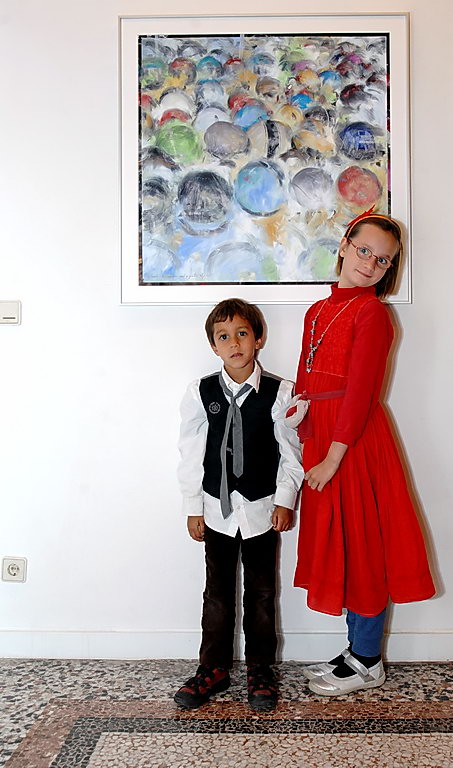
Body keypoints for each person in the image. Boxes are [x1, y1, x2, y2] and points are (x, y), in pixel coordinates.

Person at [292, 209, 435, 696]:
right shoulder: (317, 311)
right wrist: (300, 425)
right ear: (344, 246)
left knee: (364, 548)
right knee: (342, 546)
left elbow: (361, 394)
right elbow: (307, 378)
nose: (371, 263)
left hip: (353, 444)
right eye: (364, 250)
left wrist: (333, 457)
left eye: (383, 259)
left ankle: (369, 659)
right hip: (323, 438)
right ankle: (356, 648)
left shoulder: (373, 313)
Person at [174, 298, 303, 712]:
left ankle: (260, 670)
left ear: (258, 339)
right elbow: (191, 453)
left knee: (262, 594)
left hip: (262, 510)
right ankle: (213, 668)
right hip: (217, 510)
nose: (234, 344)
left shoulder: (280, 393)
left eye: (242, 334)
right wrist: (193, 506)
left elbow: (291, 453)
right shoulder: (201, 392)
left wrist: (284, 500)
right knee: (217, 594)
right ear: (214, 346)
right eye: (224, 336)